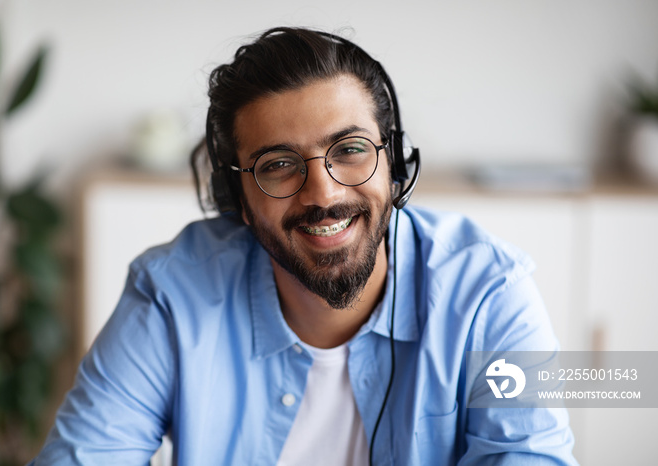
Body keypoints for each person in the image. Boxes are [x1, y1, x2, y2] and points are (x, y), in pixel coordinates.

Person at [30, 27, 577, 465]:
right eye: (278, 165)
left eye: (351, 149)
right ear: (238, 199)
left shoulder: (491, 291)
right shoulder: (172, 292)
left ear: (396, 164)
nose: (324, 192)